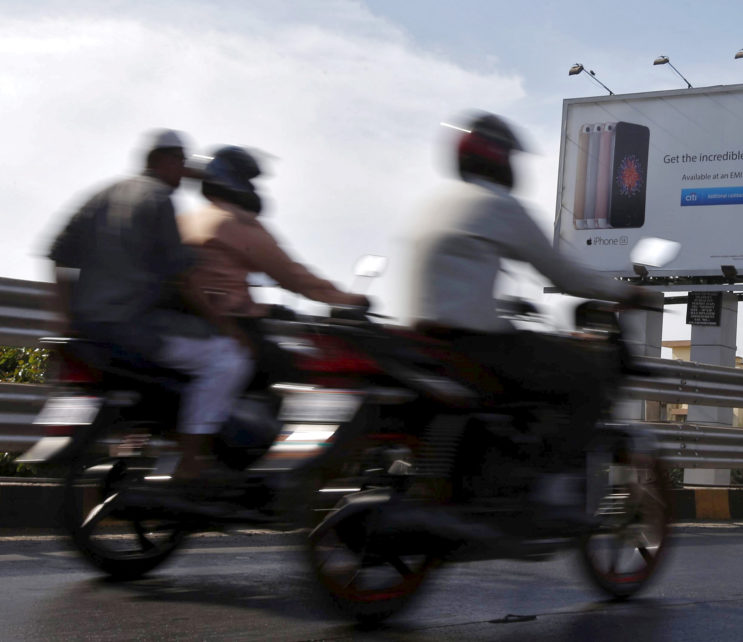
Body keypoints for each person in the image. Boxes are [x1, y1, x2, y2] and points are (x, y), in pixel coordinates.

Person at [408, 112, 654, 515]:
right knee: (585, 375)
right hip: (473, 343)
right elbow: (564, 273)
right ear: (500, 159)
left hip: (420, 342)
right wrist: (628, 291)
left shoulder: (433, 204)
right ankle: (553, 487)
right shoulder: (498, 205)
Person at [48, 129, 253, 482]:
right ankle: (191, 461)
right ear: (165, 161)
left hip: (88, 328)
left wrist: (66, 316)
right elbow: (184, 277)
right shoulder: (158, 199)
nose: (185, 173)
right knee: (228, 359)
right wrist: (227, 327)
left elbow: (59, 257)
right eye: (181, 163)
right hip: (132, 327)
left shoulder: (102, 194)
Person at [177, 145, 368, 376]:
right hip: (229, 322)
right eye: (249, 180)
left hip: (192, 318)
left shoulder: (186, 219)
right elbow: (293, 277)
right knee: (307, 368)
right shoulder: (234, 222)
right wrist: (348, 299)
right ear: (233, 179)